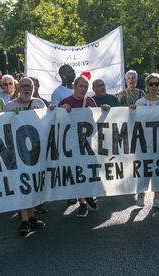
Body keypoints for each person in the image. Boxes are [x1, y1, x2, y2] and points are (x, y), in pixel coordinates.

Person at [3, 77, 46, 236]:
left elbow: (46, 124)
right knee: (22, 185)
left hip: (35, 151)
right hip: (17, 152)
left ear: (34, 88)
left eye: (30, 86)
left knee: (34, 184)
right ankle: (24, 220)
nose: (27, 88)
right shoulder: (9, 106)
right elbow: (2, 128)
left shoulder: (40, 104)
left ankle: (32, 216)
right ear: (18, 88)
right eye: (23, 86)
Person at [130, 73, 159, 209]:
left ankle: (157, 198)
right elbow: (133, 121)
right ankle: (141, 194)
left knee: (158, 171)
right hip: (143, 142)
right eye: (151, 84)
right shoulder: (140, 102)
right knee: (143, 169)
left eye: (157, 84)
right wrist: (131, 111)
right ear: (147, 86)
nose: (154, 86)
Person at [59, 75, 103, 217]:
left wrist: (105, 110)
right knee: (77, 173)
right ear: (74, 87)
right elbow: (56, 122)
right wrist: (60, 111)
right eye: (81, 86)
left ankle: (88, 194)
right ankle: (82, 203)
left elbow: (97, 120)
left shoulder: (90, 101)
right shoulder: (65, 102)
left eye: (86, 87)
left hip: (88, 144)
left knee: (89, 172)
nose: (83, 89)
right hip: (72, 145)